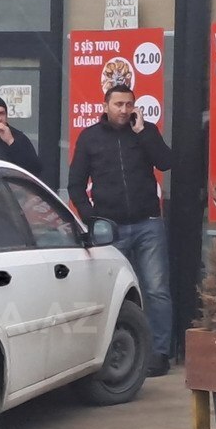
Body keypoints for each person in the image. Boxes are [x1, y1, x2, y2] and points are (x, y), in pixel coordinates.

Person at [68, 84, 175, 377]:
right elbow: (75, 184)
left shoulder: (145, 132)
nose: (124, 110)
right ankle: (114, 352)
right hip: (111, 228)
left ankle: (159, 353)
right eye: (118, 104)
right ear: (105, 106)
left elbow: (166, 162)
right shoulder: (90, 137)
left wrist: (144, 133)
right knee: (114, 293)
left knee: (156, 290)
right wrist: (92, 219)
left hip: (147, 223)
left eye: (129, 104)